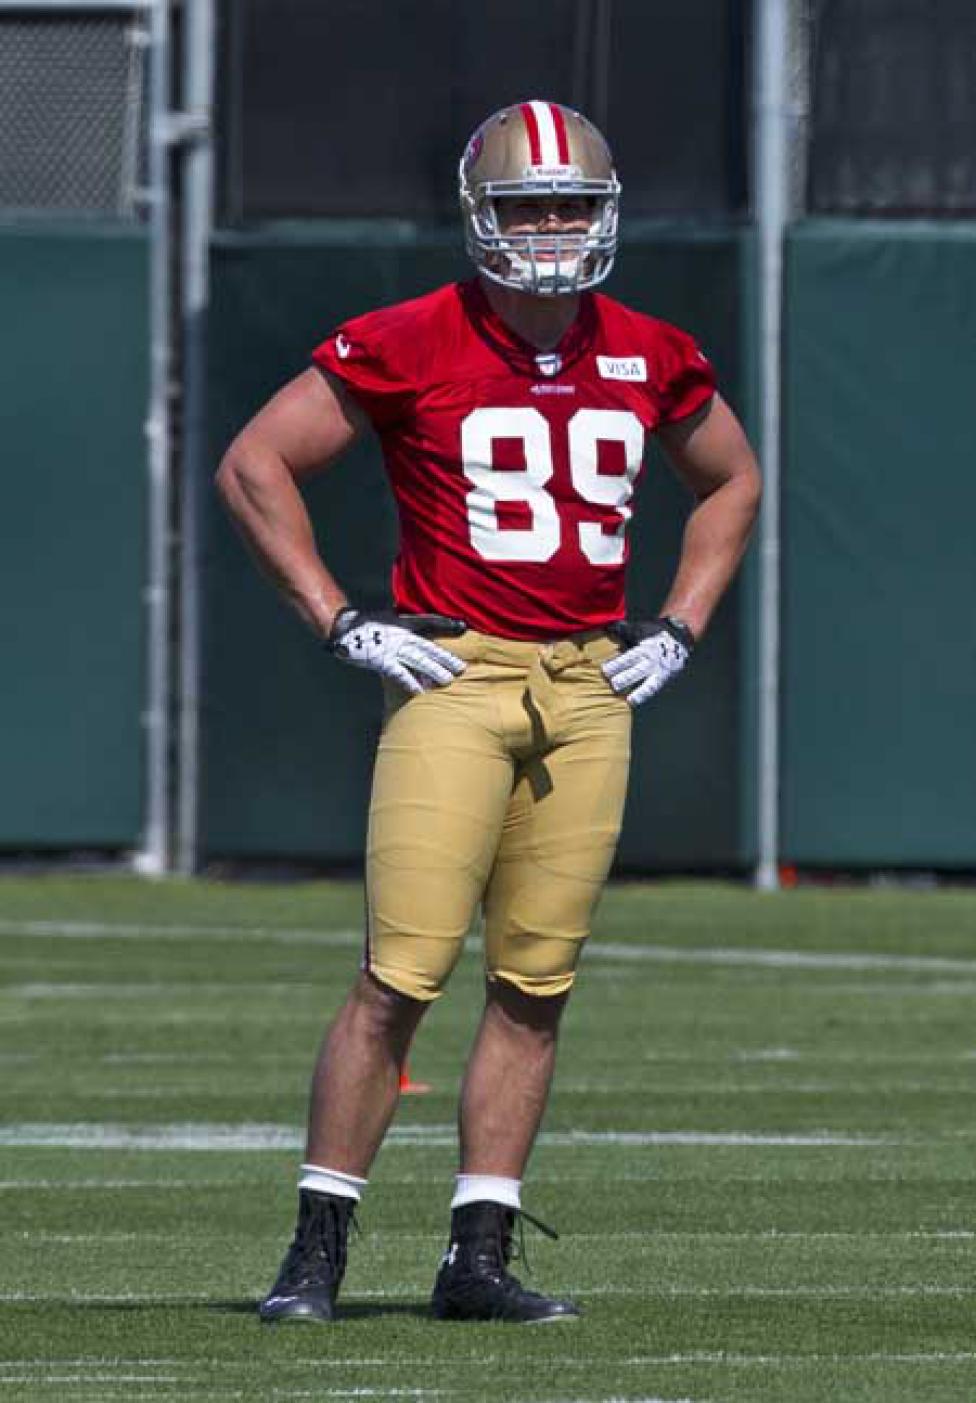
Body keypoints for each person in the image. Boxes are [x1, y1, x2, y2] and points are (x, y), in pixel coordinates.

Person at [216, 99, 761, 1325]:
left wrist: (680, 623)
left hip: (588, 687)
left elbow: (731, 477)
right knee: (398, 971)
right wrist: (339, 615)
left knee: (535, 982)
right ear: (481, 217)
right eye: (529, 206)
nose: (555, 227)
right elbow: (256, 462)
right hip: (456, 676)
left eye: (572, 204)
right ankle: (318, 1247)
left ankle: (478, 1253)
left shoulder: (650, 348)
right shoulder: (409, 338)